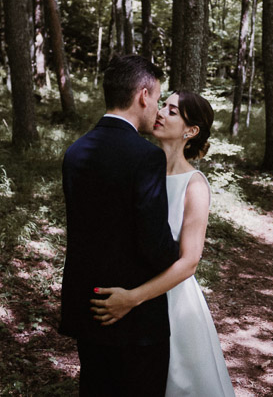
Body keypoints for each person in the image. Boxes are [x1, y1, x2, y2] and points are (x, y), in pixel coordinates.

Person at [92, 90, 234, 396]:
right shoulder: (142, 167)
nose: (160, 112)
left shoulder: (194, 185)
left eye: (172, 111)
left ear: (191, 130)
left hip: (172, 301)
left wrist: (132, 298)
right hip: (129, 293)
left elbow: (190, 260)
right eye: (163, 105)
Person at [60, 54, 179, 396]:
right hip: (133, 314)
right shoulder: (146, 157)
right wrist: (181, 253)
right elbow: (155, 244)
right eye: (157, 99)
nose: (157, 109)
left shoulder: (76, 152)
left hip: (88, 306)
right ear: (143, 95)